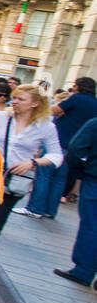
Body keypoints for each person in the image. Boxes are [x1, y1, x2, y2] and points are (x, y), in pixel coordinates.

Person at [0, 83, 60, 255]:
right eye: (14, 97)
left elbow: (56, 155)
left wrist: (32, 162)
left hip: (14, 179)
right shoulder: (1, 117)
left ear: (35, 103)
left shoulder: (45, 126)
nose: (15, 101)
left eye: (21, 99)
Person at [36, 76, 97, 215]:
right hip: (77, 145)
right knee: (60, 179)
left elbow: (54, 110)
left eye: (75, 85)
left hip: (59, 140)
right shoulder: (95, 103)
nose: (73, 87)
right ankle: (50, 211)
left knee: (44, 174)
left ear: (80, 86)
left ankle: (36, 208)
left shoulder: (76, 99)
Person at [54, 115, 97, 289]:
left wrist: (80, 173)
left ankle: (83, 272)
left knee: (91, 226)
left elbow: (76, 148)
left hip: (94, 180)